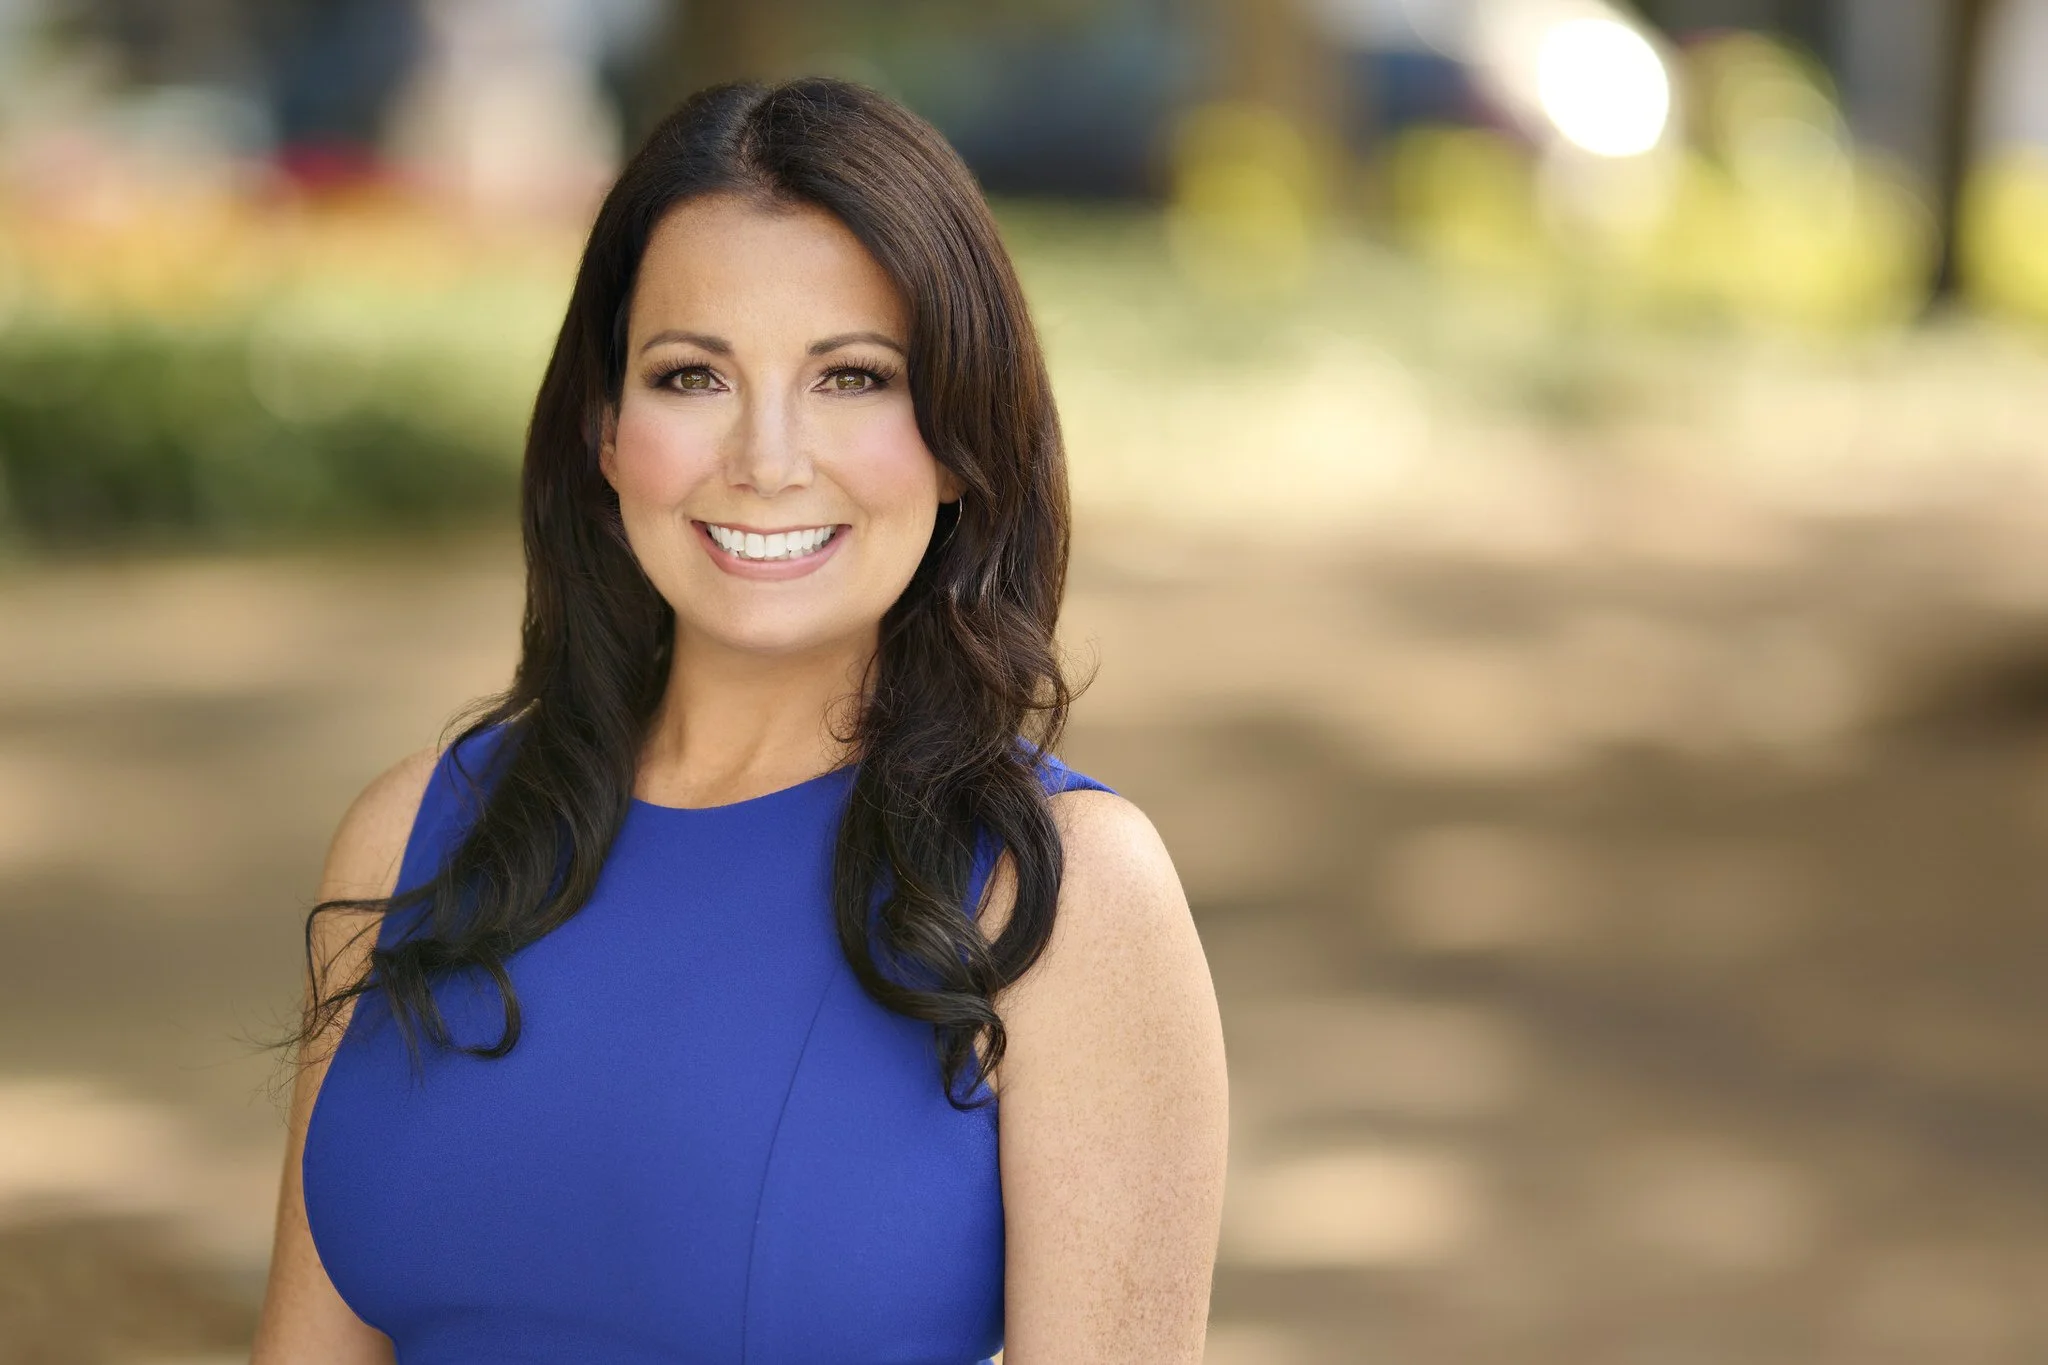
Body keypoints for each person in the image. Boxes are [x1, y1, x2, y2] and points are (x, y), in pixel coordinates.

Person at [251, 77, 1228, 1364]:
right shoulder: (411, 836)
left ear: (955, 440)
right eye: (691, 374)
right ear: (605, 429)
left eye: (853, 377)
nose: (765, 459)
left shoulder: (1060, 895)